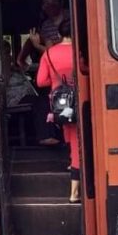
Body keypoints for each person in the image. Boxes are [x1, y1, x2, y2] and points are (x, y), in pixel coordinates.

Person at [36, 19, 80, 203]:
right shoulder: (79, 52)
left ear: (59, 34)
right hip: (78, 100)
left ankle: (72, 163)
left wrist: (56, 82)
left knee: (69, 135)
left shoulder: (48, 53)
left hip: (59, 104)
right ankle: (74, 193)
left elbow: (40, 82)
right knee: (78, 142)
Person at [16, 0, 67, 69]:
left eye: (53, 1)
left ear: (61, 3)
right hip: (55, 65)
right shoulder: (46, 25)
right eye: (46, 3)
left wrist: (38, 46)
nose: (50, 6)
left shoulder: (72, 17)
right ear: (43, 7)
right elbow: (49, 50)